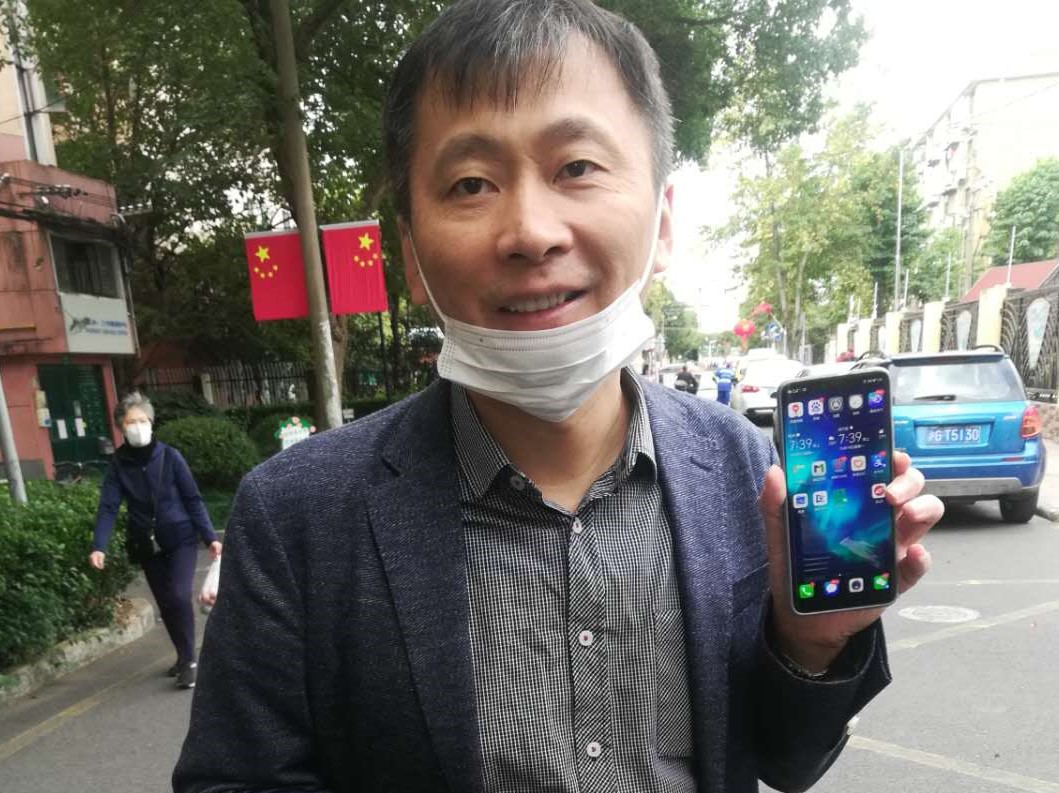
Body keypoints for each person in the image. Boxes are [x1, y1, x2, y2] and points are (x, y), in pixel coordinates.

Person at [175, 2, 942, 791]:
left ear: (662, 222)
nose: (530, 231)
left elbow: (785, 760)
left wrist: (811, 642)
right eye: (471, 183)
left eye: (576, 167)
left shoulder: (740, 466)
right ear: (410, 253)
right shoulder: (297, 515)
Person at [89, 392, 221, 690]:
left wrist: (210, 537)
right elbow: (108, 506)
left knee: (179, 596)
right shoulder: (118, 465)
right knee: (166, 603)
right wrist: (99, 546)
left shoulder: (171, 457)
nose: (137, 426)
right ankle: (182, 655)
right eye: (130, 422)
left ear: (151, 422)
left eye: (142, 420)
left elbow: (192, 498)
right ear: (121, 428)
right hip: (146, 543)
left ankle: (190, 662)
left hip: (181, 538)